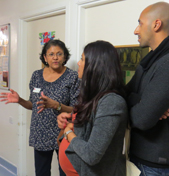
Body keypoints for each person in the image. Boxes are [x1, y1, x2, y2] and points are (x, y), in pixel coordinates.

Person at [126, 2, 169, 176]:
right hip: (141, 160)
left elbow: (142, 119)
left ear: (156, 24)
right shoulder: (152, 59)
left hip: (157, 167)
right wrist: (141, 101)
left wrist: (145, 107)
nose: (136, 30)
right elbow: (123, 93)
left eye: (140, 23)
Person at [0, 39, 80, 176]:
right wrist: (20, 100)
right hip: (40, 133)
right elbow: (33, 104)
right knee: (41, 172)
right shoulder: (36, 75)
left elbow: (77, 110)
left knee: (65, 172)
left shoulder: (73, 77)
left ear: (65, 57)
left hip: (64, 132)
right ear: (45, 57)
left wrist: (57, 105)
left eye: (59, 54)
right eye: (51, 54)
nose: (55, 57)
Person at [57, 40, 128, 176]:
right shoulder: (94, 95)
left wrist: (68, 133)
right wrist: (71, 123)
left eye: (82, 59)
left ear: (96, 66)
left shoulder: (111, 102)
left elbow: (91, 154)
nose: (78, 63)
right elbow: (89, 131)